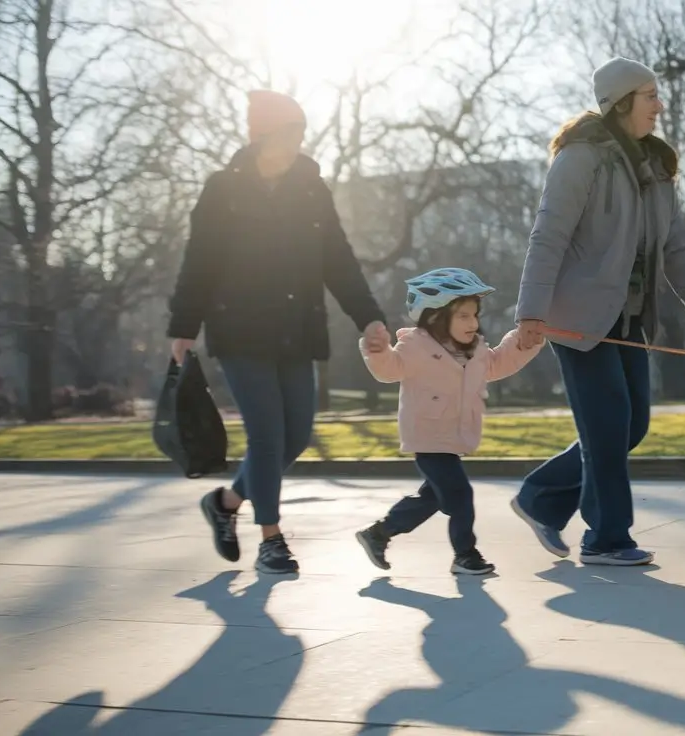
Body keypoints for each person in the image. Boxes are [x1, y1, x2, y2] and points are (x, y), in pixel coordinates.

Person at [511, 57, 685, 566]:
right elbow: (548, 236)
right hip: (578, 317)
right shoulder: (581, 158)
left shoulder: (656, 168)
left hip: (630, 320)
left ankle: (540, 496)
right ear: (622, 101)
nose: (660, 105)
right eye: (650, 95)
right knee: (609, 424)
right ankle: (607, 537)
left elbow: (677, 247)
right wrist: (531, 313)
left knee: (630, 426)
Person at [167, 89, 390, 575]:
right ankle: (271, 540)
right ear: (262, 136)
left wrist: (369, 316)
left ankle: (226, 502)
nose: (296, 144)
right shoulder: (222, 189)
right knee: (267, 436)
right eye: (287, 134)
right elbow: (198, 263)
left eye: (300, 134)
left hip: (298, 328)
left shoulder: (311, 187)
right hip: (239, 329)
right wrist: (183, 327)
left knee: (296, 435)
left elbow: (339, 259)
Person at [353, 268, 545, 575]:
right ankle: (465, 554)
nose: (473, 323)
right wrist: (377, 352)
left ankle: (378, 533)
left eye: (474, 315)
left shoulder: (475, 349)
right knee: (459, 494)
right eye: (464, 316)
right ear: (436, 316)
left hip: (454, 437)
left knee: (433, 497)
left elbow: (496, 365)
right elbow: (390, 369)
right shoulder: (415, 346)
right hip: (427, 436)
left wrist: (523, 343)